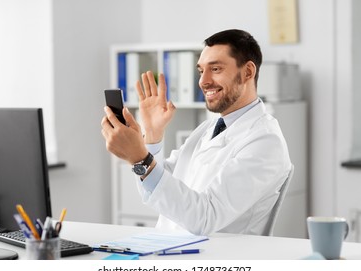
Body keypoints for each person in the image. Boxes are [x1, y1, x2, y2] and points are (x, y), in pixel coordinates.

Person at [101, 29, 291, 236]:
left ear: (247, 72)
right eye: (201, 71)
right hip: (168, 248)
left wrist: (139, 158)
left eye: (216, 69)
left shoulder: (265, 141)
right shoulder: (209, 128)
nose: (203, 81)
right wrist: (152, 138)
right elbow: (157, 186)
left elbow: (205, 218)